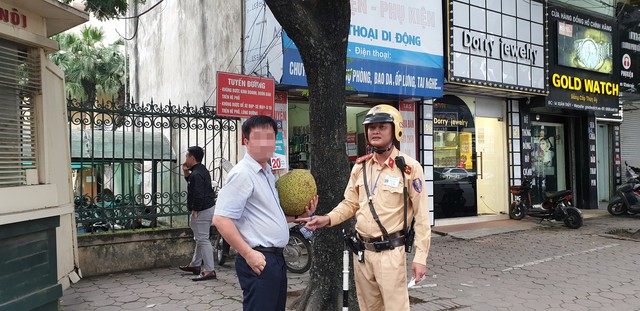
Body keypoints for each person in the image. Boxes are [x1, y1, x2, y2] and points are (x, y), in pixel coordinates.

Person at [304, 104, 431, 311]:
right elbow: (350, 203)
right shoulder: (360, 167)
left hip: (391, 253)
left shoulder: (408, 168)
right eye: (371, 128)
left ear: (395, 130)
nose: (375, 131)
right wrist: (326, 219)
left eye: (382, 127)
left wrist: (420, 257)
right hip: (362, 253)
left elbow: (422, 217)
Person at [213, 115, 317, 311]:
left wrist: (299, 217)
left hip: (276, 259)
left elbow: (267, 214)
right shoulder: (243, 174)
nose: (266, 143)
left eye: (270, 137)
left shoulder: (268, 174)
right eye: (259, 137)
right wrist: (249, 254)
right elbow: (221, 219)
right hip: (258, 258)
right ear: (246, 141)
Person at [179, 146, 217, 281]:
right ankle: (195, 265)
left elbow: (198, 194)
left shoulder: (196, 174)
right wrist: (185, 172)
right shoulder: (200, 170)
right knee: (200, 239)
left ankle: (209, 271)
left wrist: (195, 210)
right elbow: (194, 185)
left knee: (203, 240)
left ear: (192, 158)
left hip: (202, 210)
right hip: (206, 208)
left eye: (186, 157)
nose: (185, 159)